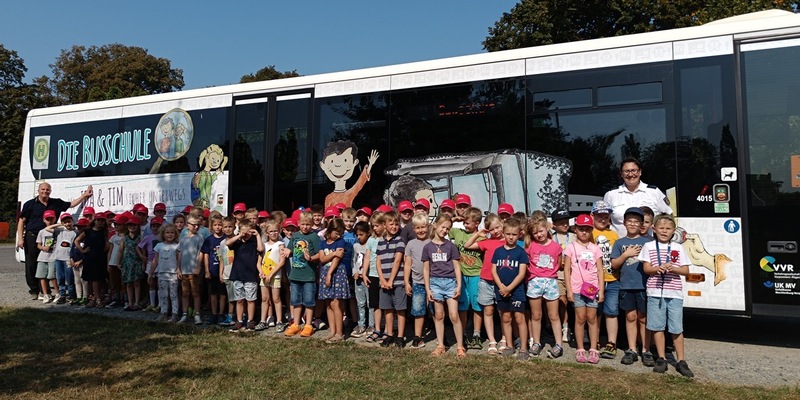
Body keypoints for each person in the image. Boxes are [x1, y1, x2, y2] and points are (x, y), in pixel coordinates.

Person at [638, 214, 694, 377]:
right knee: (657, 326)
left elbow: (685, 271)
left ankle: (681, 360)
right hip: (655, 292)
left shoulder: (678, 248)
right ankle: (661, 358)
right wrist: (658, 268)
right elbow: (647, 269)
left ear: (673, 231)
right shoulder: (648, 246)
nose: (664, 231)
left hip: (675, 293)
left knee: (676, 328)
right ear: (654, 229)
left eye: (668, 229)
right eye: (661, 228)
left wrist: (673, 269)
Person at [17, 183, 93, 299]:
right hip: (32, 236)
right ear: (38, 190)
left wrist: (84, 196)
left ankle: (46, 291)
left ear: (50, 191)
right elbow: (21, 221)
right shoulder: (30, 204)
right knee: (31, 263)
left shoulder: (55, 203)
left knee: (48, 262)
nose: (45, 191)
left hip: (50, 236)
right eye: (43, 189)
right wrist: (21, 239)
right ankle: (34, 290)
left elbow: (71, 204)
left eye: (47, 189)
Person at [610, 207, 653, 366]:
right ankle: (631, 349)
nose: (633, 224)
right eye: (630, 221)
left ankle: (646, 349)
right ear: (624, 223)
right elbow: (614, 264)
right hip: (626, 286)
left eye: (636, 221)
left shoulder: (648, 242)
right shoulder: (619, 243)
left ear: (642, 224)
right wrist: (626, 255)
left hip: (644, 286)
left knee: (643, 318)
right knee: (630, 317)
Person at [564, 214, 604, 364]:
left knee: (592, 318)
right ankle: (580, 348)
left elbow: (600, 270)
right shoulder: (571, 247)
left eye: (587, 229)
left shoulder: (595, 249)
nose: (584, 232)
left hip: (592, 289)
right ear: (576, 230)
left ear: (591, 230)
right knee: (580, 318)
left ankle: (594, 348)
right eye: (581, 229)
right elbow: (567, 270)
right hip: (576, 289)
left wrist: (601, 290)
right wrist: (568, 290)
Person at [423, 215, 465, 358]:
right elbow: (426, 269)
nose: (445, 230)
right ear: (435, 225)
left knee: (454, 315)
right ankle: (440, 345)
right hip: (435, 283)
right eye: (443, 227)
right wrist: (428, 289)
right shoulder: (428, 247)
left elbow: (457, 267)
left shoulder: (450, 246)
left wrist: (459, 286)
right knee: (439, 315)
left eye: (448, 228)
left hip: (450, 283)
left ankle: (460, 346)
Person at [464, 214, 504, 355]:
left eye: (498, 227)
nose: (496, 231)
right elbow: (466, 245)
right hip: (486, 281)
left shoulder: (508, 241)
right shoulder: (486, 242)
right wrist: (478, 234)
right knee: (488, 311)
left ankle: (504, 339)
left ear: (502, 225)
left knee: (503, 312)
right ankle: (492, 340)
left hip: (502, 282)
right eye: (492, 229)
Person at [525, 218, 564, 359]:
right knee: (536, 315)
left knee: (553, 315)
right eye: (535, 233)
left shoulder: (555, 246)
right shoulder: (530, 246)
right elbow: (527, 262)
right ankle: (536, 342)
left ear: (546, 229)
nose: (539, 235)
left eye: (541, 231)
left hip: (551, 281)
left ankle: (558, 344)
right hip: (535, 281)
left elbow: (559, 264)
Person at [491, 217, 529, 360]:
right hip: (501, 290)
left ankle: (524, 348)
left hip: (517, 291)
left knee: (519, 318)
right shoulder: (498, 251)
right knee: (505, 318)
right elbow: (494, 270)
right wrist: (501, 286)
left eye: (514, 234)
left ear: (519, 234)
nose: (511, 237)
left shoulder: (521, 252)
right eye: (508, 234)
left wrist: (510, 288)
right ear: (503, 233)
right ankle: (509, 345)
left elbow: (522, 273)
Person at [604, 157, 672, 236]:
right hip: (618, 244)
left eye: (633, 170)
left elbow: (668, 215)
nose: (630, 174)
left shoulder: (654, 192)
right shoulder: (611, 194)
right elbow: (602, 219)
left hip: (648, 245)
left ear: (640, 172)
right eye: (626, 171)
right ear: (621, 174)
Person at [450, 206, 484, 350]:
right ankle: (462, 332)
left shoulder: (482, 237)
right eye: (464, 222)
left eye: (468, 223)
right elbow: (438, 226)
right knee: (462, 305)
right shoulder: (458, 233)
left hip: (476, 274)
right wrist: (453, 219)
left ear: (476, 223)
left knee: (476, 305)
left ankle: (476, 333)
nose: (464, 225)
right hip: (461, 275)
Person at [284, 211, 322, 338]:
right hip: (295, 274)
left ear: (311, 224)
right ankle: (296, 324)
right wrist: (285, 252)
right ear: (298, 223)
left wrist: (311, 258)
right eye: (303, 224)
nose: (305, 227)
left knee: (309, 301)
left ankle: (308, 325)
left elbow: (319, 254)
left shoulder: (314, 237)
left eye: (308, 224)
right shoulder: (295, 236)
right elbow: (290, 249)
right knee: (295, 300)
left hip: (309, 275)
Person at [591, 201, 621, 360]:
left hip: (613, 279)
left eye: (606, 216)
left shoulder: (614, 235)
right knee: (595, 312)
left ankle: (611, 343)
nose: (602, 219)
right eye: (599, 216)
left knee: (611, 312)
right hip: (594, 281)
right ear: (593, 216)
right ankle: (594, 341)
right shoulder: (589, 233)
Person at [376, 211, 407, 348]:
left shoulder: (399, 240)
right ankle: (389, 334)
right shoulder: (380, 242)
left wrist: (391, 280)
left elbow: (398, 260)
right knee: (387, 309)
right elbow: (378, 261)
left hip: (398, 281)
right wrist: (383, 279)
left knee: (400, 309)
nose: (394, 227)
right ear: (384, 225)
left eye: (396, 224)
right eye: (391, 224)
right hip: (384, 282)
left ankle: (400, 336)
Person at [227, 220, 264, 331]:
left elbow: (261, 249)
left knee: (251, 299)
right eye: (244, 232)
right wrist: (239, 235)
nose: (246, 235)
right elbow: (228, 243)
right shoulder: (237, 242)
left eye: (248, 232)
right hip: (238, 274)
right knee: (239, 299)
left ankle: (250, 320)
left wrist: (257, 235)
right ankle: (239, 320)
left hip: (250, 275)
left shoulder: (253, 242)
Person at [318, 218, 350, 342]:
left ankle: (339, 332)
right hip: (325, 272)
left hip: (337, 273)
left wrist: (329, 274)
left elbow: (337, 260)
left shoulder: (341, 242)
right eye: (336, 233)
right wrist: (333, 254)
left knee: (336, 303)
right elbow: (322, 259)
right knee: (328, 303)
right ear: (330, 230)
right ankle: (332, 330)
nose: (338, 236)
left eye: (340, 233)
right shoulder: (323, 243)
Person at [403, 214, 431, 349]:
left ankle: (440, 335)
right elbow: (407, 264)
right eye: (418, 228)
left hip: (433, 282)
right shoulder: (411, 244)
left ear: (428, 227)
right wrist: (406, 282)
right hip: (417, 282)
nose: (421, 231)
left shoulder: (432, 242)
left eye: (423, 227)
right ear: (413, 229)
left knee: (435, 310)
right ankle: (417, 337)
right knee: (418, 309)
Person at [74, 211, 109, 308]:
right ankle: (96, 298)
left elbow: (106, 245)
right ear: (95, 221)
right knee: (92, 279)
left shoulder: (104, 232)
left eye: (102, 220)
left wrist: (107, 247)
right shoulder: (88, 231)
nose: (100, 222)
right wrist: (82, 250)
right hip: (90, 257)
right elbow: (76, 241)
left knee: (100, 278)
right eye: (99, 220)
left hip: (101, 256)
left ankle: (95, 298)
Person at [550, 209, 575, 343]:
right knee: (562, 302)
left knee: (575, 303)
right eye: (561, 223)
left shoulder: (574, 236)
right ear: (554, 224)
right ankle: (564, 327)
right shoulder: (551, 237)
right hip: (557, 274)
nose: (565, 225)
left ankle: (577, 328)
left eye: (566, 222)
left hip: (574, 275)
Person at [150, 224, 180, 322]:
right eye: (167, 232)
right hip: (162, 273)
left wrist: (179, 270)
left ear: (175, 234)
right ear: (163, 234)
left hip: (173, 274)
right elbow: (155, 260)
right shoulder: (159, 246)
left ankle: (175, 314)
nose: (169, 234)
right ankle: (163, 313)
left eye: (172, 232)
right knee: (163, 294)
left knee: (173, 294)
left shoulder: (177, 246)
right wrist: (151, 273)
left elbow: (179, 260)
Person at [363, 212, 386, 343]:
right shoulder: (371, 240)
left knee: (386, 304)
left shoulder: (387, 239)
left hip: (385, 275)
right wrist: (364, 273)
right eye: (373, 226)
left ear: (384, 224)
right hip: (373, 275)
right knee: (375, 305)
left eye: (377, 225)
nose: (375, 228)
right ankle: (377, 329)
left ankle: (388, 330)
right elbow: (367, 257)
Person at [178, 216, 205, 324]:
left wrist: (198, 267)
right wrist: (178, 269)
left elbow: (201, 253)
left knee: (196, 293)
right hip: (184, 270)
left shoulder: (200, 237)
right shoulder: (183, 238)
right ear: (187, 225)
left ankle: (197, 314)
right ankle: (184, 314)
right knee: (185, 293)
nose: (196, 226)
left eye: (198, 224)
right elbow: (179, 253)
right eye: (193, 224)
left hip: (194, 270)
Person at [201, 215, 227, 325]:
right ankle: (214, 314)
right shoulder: (209, 240)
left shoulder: (226, 238)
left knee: (222, 294)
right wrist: (206, 270)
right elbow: (206, 255)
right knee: (213, 294)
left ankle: (221, 314)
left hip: (224, 271)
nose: (218, 227)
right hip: (212, 270)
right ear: (211, 226)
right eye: (215, 225)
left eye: (220, 225)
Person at [48, 213, 77, 303]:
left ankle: (72, 295)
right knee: (60, 278)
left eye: (69, 222)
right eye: (65, 222)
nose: (67, 224)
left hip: (68, 259)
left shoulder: (75, 232)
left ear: (72, 221)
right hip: (59, 258)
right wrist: (60, 224)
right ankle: (62, 295)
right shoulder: (59, 231)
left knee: (69, 278)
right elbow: (47, 228)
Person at [351, 221, 372, 338]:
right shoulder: (355, 246)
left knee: (370, 303)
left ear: (368, 233)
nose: (359, 237)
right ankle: (361, 324)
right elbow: (353, 261)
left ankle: (372, 325)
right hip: (358, 279)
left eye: (361, 234)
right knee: (360, 302)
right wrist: (355, 271)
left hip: (368, 279)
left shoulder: (371, 245)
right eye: (357, 235)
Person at [120, 217, 144, 311]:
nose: (132, 227)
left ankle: (137, 302)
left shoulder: (140, 238)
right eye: (130, 225)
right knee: (128, 284)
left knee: (137, 283)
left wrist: (143, 262)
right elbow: (121, 251)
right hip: (127, 262)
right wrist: (119, 262)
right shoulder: (124, 238)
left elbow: (143, 251)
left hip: (137, 262)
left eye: (134, 225)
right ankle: (130, 303)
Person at [35, 210, 59, 303]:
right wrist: (43, 248)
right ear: (44, 220)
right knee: (42, 276)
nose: (49, 221)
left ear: (55, 219)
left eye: (51, 219)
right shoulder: (41, 232)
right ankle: (45, 294)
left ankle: (57, 293)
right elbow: (38, 244)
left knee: (52, 276)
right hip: (42, 257)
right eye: (47, 219)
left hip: (53, 256)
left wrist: (58, 224)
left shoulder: (58, 231)